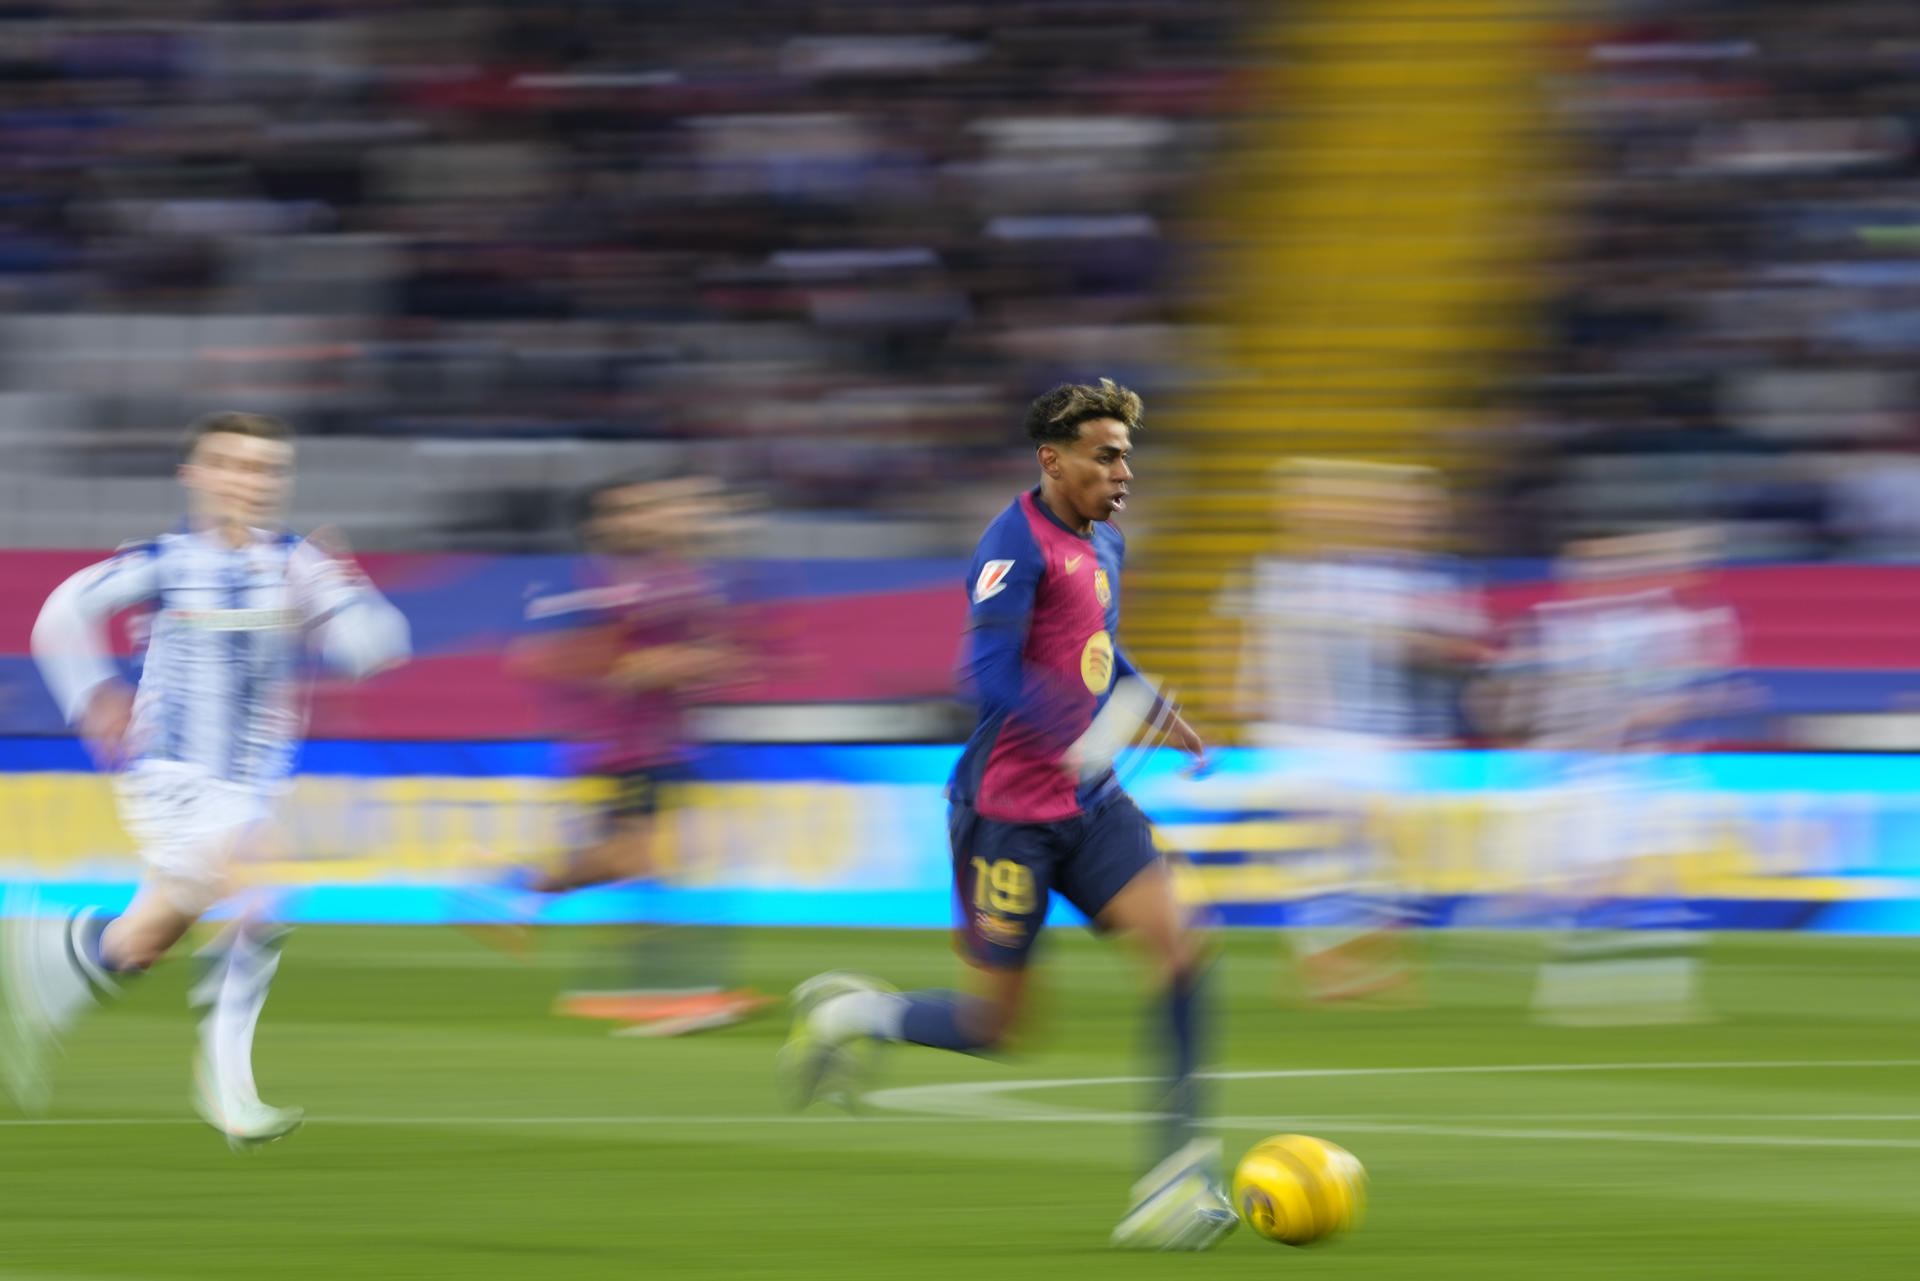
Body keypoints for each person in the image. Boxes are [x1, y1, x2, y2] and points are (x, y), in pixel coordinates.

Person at [777, 380, 1233, 1251]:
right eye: (1106, 455)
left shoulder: (1108, 545)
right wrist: (1081, 729)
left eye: (1128, 454)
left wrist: (1145, 704)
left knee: (1183, 949)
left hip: (1090, 801)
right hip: (1007, 814)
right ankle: (849, 1013)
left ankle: (1176, 1176)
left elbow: (1095, 644)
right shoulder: (1010, 543)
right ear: (1052, 460)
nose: (1123, 470)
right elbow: (984, 674)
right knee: (999, 1028)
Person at [7, 411, 411, 1144]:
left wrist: (348, 586)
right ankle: (228, 1086)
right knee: (264, 881)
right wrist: (92, 694)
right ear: (194, 475)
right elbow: (61, 610)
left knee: (137, 945)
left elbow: (374, 648)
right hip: (174, 776)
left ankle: (49, 954)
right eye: (229, 464)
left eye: (263, 469)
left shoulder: (296, 561)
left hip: (255, 784)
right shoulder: (166, 559)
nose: (247, 481)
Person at [489, 472, 767, 1036]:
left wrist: (699, 664)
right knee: (639, 860)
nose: (643, 517)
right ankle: (655, 989)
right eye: (630, 510)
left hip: (663, 740)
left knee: (648, 861)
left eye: (646, 507)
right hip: (622, 747)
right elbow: (588, 664)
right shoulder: (595, 589)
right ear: (603, 525)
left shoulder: (668, 580)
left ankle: (654, 987)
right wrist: (687, 665)